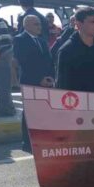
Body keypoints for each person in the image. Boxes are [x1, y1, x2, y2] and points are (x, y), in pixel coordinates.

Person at [12, 15, 54, 152]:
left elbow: (49, 60)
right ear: (27, 25)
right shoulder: (19, 40)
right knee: (29, 112)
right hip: (30, 80)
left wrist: (51, 77)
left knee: (43, 110)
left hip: (46, 81)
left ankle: (41, 138)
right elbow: (24, 62)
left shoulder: (42, 41)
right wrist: (38, 78)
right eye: (36, 24)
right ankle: (27, 142)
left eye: (40, 24)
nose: (39, 27)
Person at [56, 7, 94, 93]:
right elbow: (62, 85)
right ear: (79, 24)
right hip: (74, 103)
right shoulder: (66, 51)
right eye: (92, 22)